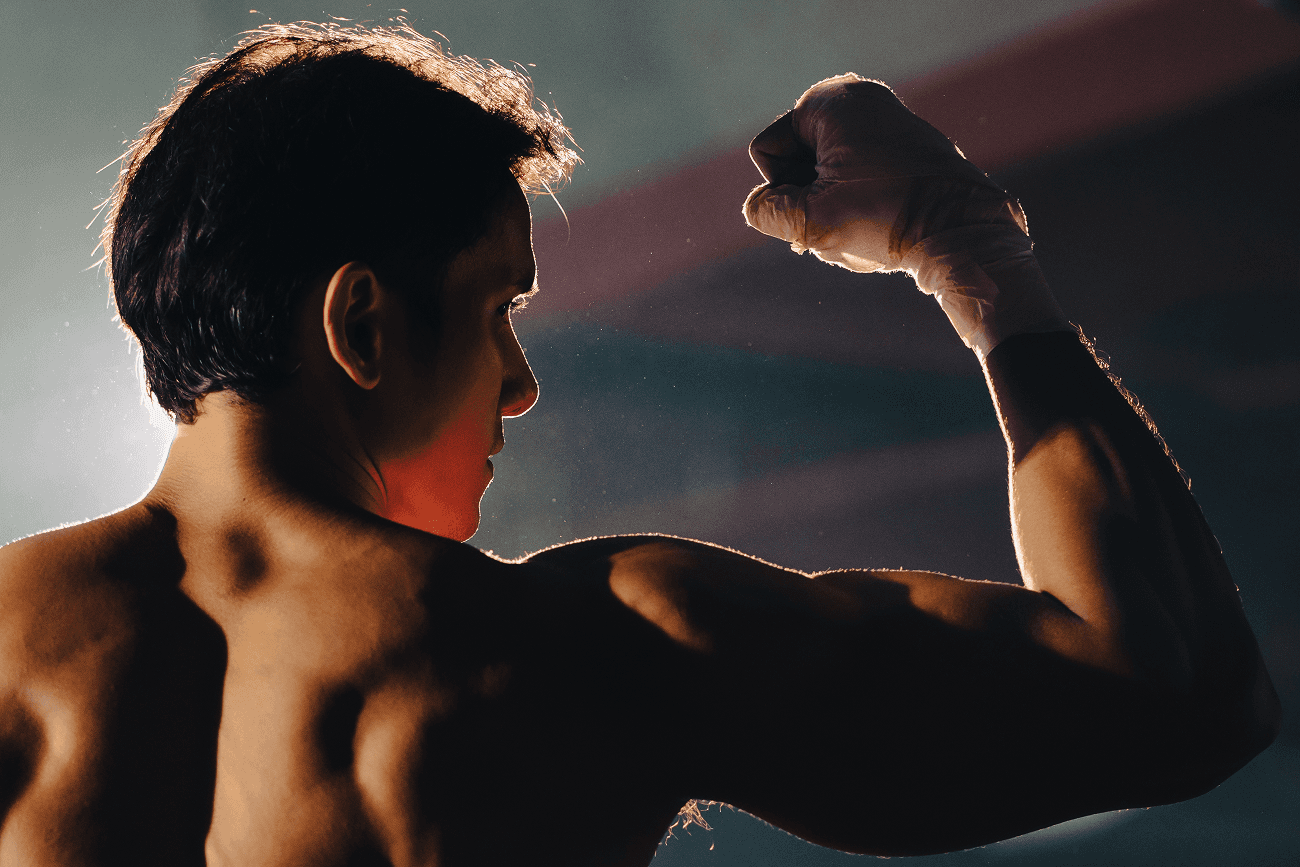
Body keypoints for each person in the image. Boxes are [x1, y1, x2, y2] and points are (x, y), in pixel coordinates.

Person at [0, 21, 1279, 867]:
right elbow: (1177, 694)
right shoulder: (594, 643)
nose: (519, 386)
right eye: (499, 307)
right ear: (361, 322)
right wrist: (968, 249)